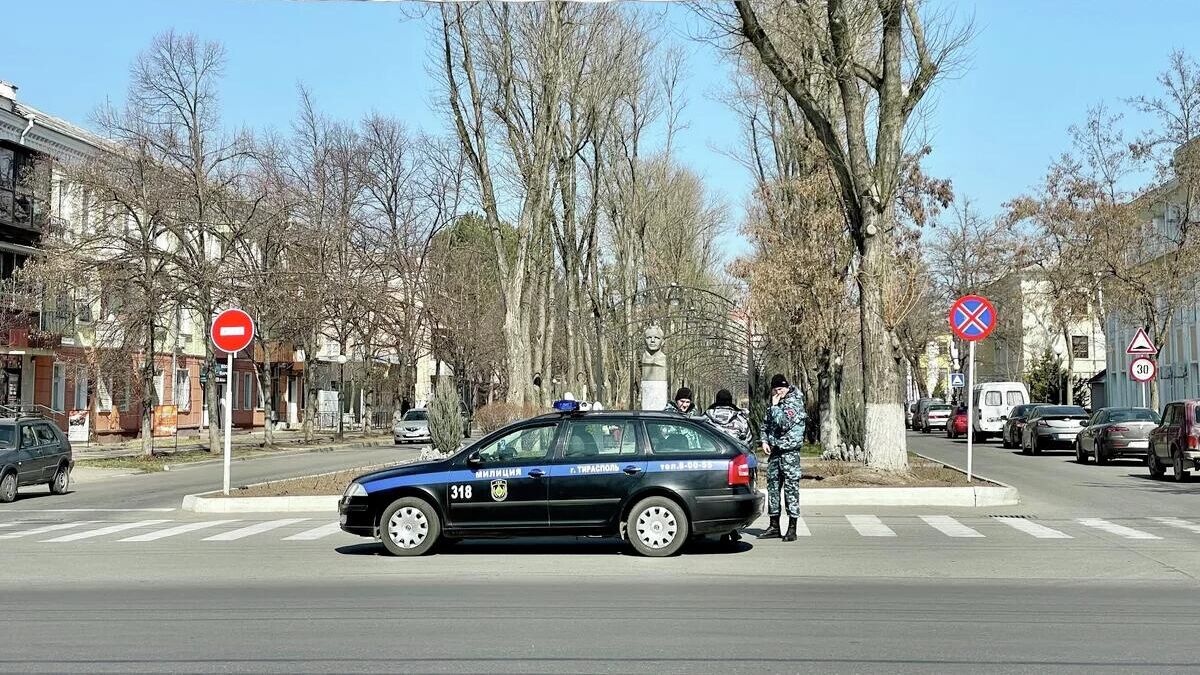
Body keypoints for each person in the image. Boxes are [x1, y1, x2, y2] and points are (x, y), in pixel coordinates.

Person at [759, 373, 806, 542]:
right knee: (773, 488)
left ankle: (792, 527)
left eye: (781, 389)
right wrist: (764, 440)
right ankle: (774, 525)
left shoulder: (794, 402)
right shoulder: (775, 404)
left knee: (791, 490)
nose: (778, 392)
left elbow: (783, 423)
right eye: (775, 390)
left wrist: (775, 406)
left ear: (787, 387)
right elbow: (765, 424)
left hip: (790, 452)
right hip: (775, 452)